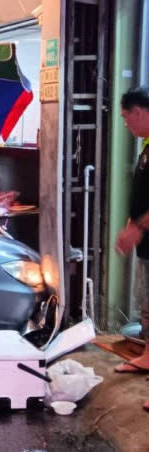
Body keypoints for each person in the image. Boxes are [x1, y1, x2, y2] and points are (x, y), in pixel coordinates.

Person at [113, 86, 149, 413]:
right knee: (146, 303)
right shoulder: (146, 146)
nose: (126, 124)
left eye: (126, 117)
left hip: (146, 235)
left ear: (140, 111)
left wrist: (136, 228)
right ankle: (148, 355)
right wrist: (129, 226)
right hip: (145, 242)